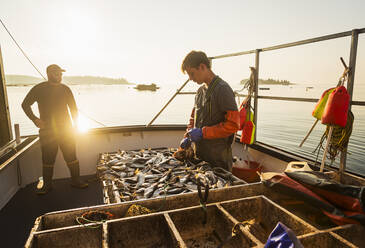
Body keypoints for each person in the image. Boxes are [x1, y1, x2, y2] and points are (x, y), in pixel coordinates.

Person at [22, 64, 88, 194]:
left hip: (66, 130)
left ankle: (76, 181)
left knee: (71, 157)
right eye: (57, 73)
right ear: (49, 74)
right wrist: (35, 120)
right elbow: (25, 105)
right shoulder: (39, 89)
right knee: (48, 159)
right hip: (48, 131)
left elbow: (73, 109)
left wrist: (76, 125)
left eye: (61, 73)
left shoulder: (66, 89)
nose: (60, 76)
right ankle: (47, 185)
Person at [180, 51, 240, 171]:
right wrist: (188, 134)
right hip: (200, 155)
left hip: (218, 159)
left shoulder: (223, 90)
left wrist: (203, 132)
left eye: (192, 73)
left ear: (202, 67)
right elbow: (193, 118)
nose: (191, 78)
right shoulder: (199, 92)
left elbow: (233, 125)